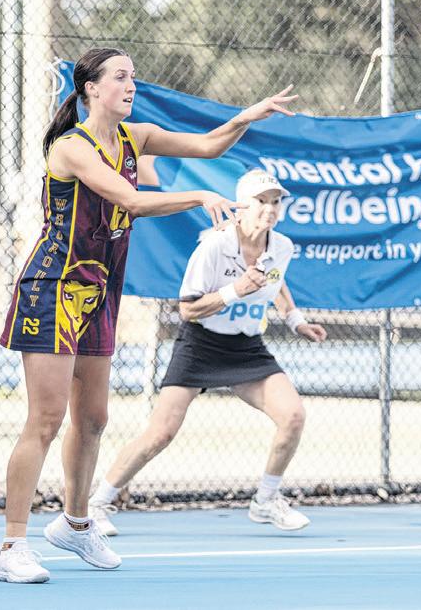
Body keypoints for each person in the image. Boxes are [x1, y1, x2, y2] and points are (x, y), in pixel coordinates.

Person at [0, 47, 297, 584]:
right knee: (46, 420)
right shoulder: (71, 147)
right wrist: (197, 197)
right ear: (91, 88)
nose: (131, 84)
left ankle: (76, 523)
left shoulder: (135, 136)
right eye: (121, 76)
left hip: (99, 292)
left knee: (93, 419)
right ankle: (12, 545)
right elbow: (129, 201)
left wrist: (247, 117)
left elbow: (208, 144)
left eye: (134, 76)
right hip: (54, 288)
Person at [88, 168, 326, 535]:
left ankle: (266, 501)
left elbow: (276, 283)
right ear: (241, 206)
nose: (270, 209)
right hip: (200, 344)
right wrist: (236, 291)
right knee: (160, 433)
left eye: (276, 202)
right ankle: (97, 504)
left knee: (293, 416)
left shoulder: (281, 247)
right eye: (261, 201)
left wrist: (296, 322)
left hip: (246, 347)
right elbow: (188, 309)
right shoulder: (214, 247)